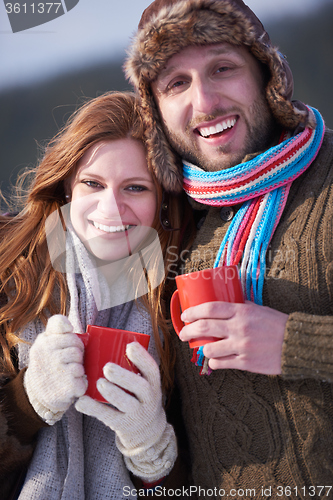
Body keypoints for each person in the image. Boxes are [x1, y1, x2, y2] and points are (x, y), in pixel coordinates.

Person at [125, 0, 333, 496]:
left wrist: (295, 344)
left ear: (267, 75)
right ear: (154, 110)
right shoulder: (167, 220)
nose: (206, 103)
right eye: (177, 83)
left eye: (222, 68)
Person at [0, 91, 189, 499]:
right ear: (68, 184)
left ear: (163, 202)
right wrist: (28, 400)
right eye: (93, 183)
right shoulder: (6, 267)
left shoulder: (176, 293)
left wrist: (151, 450)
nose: (111, 208)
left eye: (136, 188)